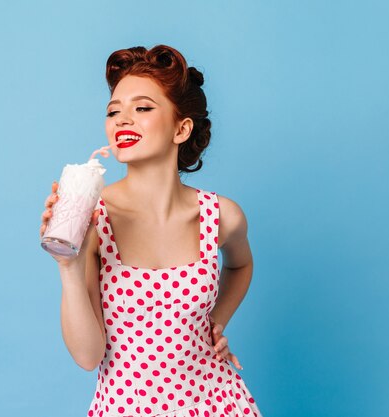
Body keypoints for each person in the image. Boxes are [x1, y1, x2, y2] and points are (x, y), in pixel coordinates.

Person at [40, 44, 262, 417]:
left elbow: (240, 266)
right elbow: (87, 355)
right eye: (114, 111)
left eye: (142, 108)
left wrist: (216, 321)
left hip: (217, 403)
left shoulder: (222, 215)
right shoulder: (94, 219)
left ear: (181, 128)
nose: (122, 119)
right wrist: (68, 267)